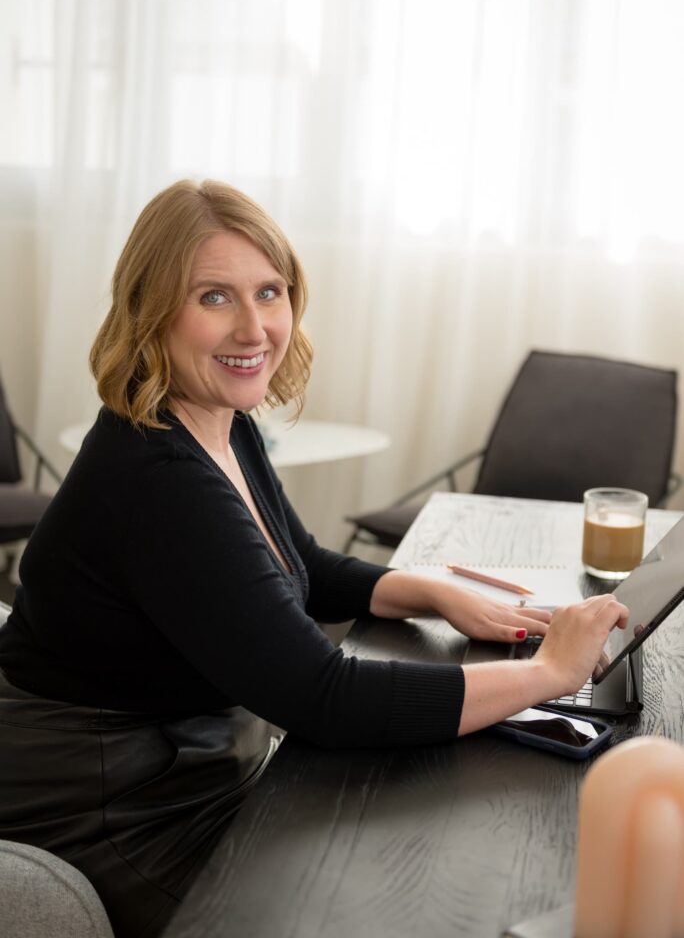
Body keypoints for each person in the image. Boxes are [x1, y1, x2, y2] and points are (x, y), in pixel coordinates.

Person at [0, 180, 628, 938]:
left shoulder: (216, 420)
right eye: (214, 297)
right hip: (113, 805)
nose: (255, 326)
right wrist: (547, 675)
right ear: (150, 309)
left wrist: (430, 592)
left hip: (185, 764)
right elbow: (321, 696)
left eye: (270, 291)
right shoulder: (155, 480)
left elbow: (298, 562)